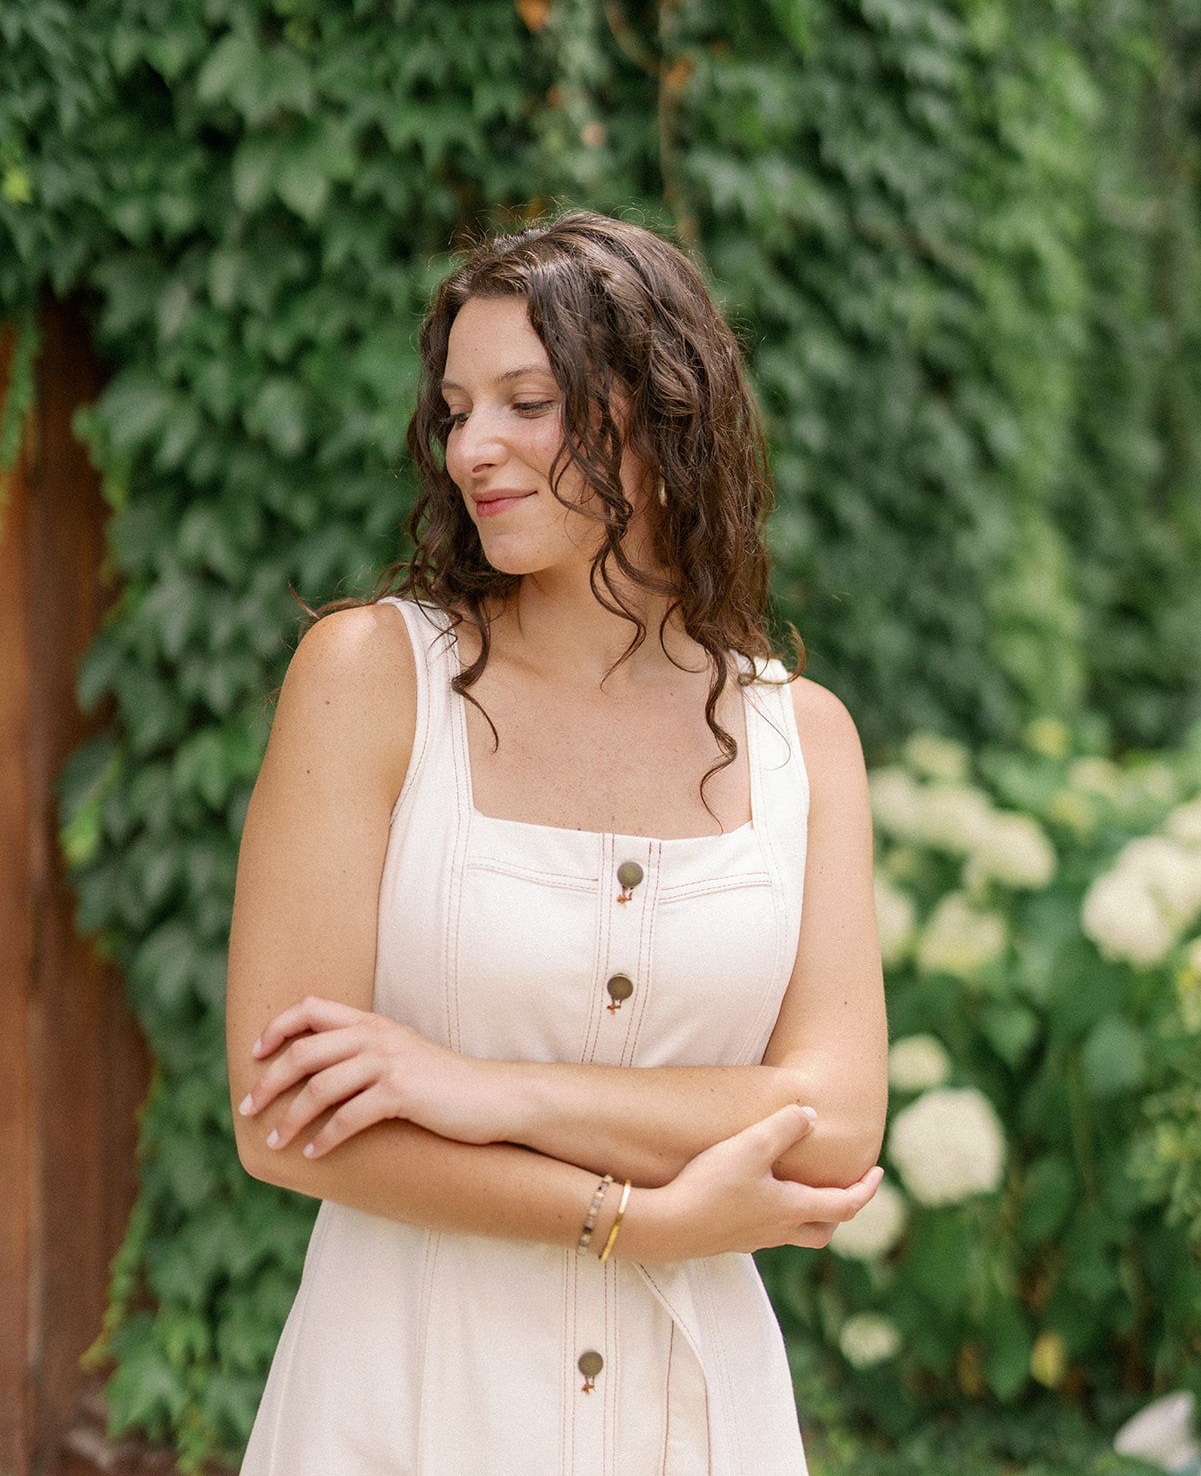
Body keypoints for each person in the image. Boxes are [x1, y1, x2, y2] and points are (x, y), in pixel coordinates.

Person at [226, 209, 888, 1475]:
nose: (473, 446)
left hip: (697, 1424)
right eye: (457, 408)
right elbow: (285, 1115)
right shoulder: (371, 675)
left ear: (661, 416)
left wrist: (485, 1088)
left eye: (526, 401)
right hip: (404, 1406)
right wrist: (630, 1220)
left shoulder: (802, 738)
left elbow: (833, 1122)